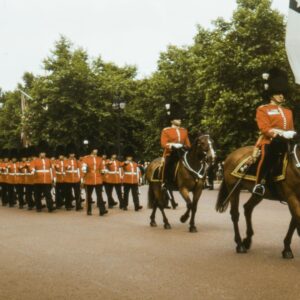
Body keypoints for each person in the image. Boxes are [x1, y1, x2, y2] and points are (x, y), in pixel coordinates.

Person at [252, 68, 296, 196]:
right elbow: (264, 128)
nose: (282, 96)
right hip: (270, 141)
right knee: (268, 156)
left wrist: (292, 133)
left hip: (287, 142)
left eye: (283, 93)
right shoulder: (263, 109)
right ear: (271, 94)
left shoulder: (288, 111)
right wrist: (280, 134)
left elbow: (291, 128)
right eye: (278, 93)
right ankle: (259, 184)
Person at [160, 103, 191, 189]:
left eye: (180, 118)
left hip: (183, 153)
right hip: (171, 153)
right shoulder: (166, 130)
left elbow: (188, 144)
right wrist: (173, 146)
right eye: (177, 119)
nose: (180, 120)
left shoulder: (184, 130)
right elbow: (163, 144)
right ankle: (165, 182)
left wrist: (185, 147)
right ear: (172, 121)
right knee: (168, 165)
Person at [81, 144, 108, 216]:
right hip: (89, 178)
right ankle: (89, 210)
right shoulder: (86, 158)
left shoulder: (99, 158)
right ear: (91, 150)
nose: (96, 150)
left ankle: (102, 210)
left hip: (98, 178)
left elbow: (102, 168)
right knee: (89, 196)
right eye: (94, 149)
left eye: (96, 149)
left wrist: (104, 171)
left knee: (99, 195)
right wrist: (82, 178)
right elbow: (83, 169)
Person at [30, 141, 56, 212]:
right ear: (39, 153)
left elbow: (52, 169)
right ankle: (38, 207)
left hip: (47, 180)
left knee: (48, 195)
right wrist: (33, 170)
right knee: (37, 195)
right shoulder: (35, 160)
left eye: (44, 153)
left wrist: (54, 178)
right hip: (38, 180)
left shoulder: (49, 160)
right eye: (41, 153)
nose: (43, 154)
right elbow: (31, 167)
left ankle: (50, 207)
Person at [121, 146, 143, 211]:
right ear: (126, 157)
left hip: (134, 181)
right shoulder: (124, 163)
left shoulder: (135, 164)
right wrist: (125, 163)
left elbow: (138, 171)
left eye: (130, 157)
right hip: (127, 181)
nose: (129, 158)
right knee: (126, 194)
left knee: (135, 194)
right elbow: (121, 165)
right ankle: (125, 205)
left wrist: (139, 180)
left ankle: (137, 206)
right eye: (128, 157)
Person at [64, 143, 82, 211]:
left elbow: (79, 169)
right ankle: (68, 205)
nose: (72, 155)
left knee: (77, 193)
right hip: (68, 179)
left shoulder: (76, 161)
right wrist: (67, 167)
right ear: (68, 154)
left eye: (73, 154)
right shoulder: (66, 160)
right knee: (68, 194)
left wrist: (81, 178)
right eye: (71, 154)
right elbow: (65, 167)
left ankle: (78, 206)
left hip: (76, 179)